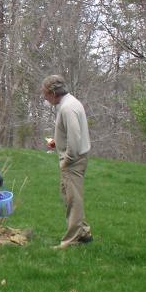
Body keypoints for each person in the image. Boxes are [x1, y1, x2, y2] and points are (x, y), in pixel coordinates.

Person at [41, 74, 93, 249]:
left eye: (45, 93)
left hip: (73, 161)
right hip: (74, 159)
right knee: (69, 197)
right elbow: (71, 134)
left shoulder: (68, 108)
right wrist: (57, 142)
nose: (45, 97)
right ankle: (84, 232)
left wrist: (67, 160)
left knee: (73, 201)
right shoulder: (69, 103)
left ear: (53, 92)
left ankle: (71, 240)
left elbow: (75, 139)